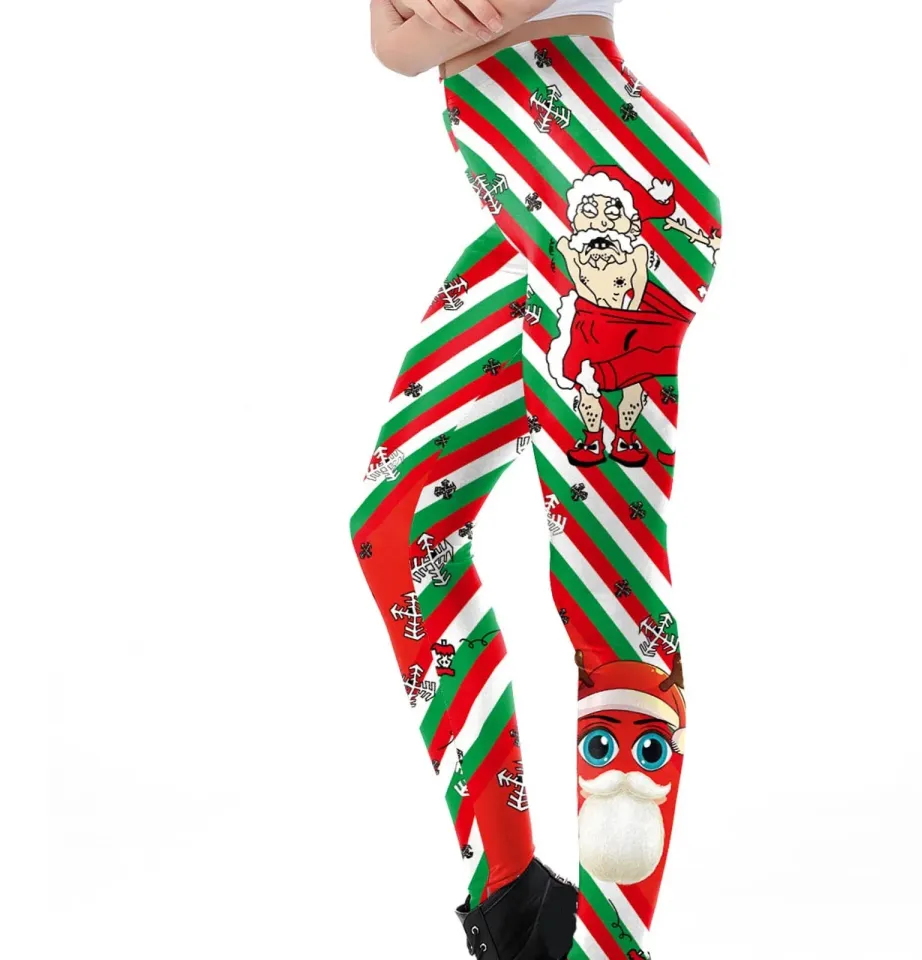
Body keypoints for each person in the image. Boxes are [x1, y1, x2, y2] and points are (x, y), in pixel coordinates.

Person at [351, 2, 721, 957]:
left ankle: (611, 948)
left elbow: (460, 17)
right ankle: (517, 906)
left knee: (606, 587)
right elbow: (394, 46)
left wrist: (430, 25)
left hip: (614, 210)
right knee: (398, 523)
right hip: (535, 212)